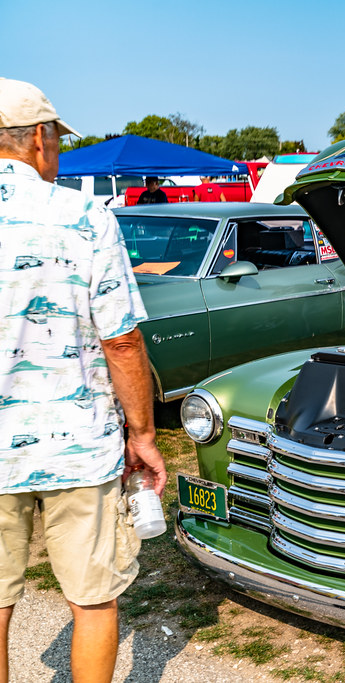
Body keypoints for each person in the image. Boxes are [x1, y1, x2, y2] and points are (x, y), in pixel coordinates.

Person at [0, 78, 166, 682]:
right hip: (78, 442)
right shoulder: (84, 215)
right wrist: (144, 435)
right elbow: (120, 339)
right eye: (57, 140)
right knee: (92, 601)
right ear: (39, 138)